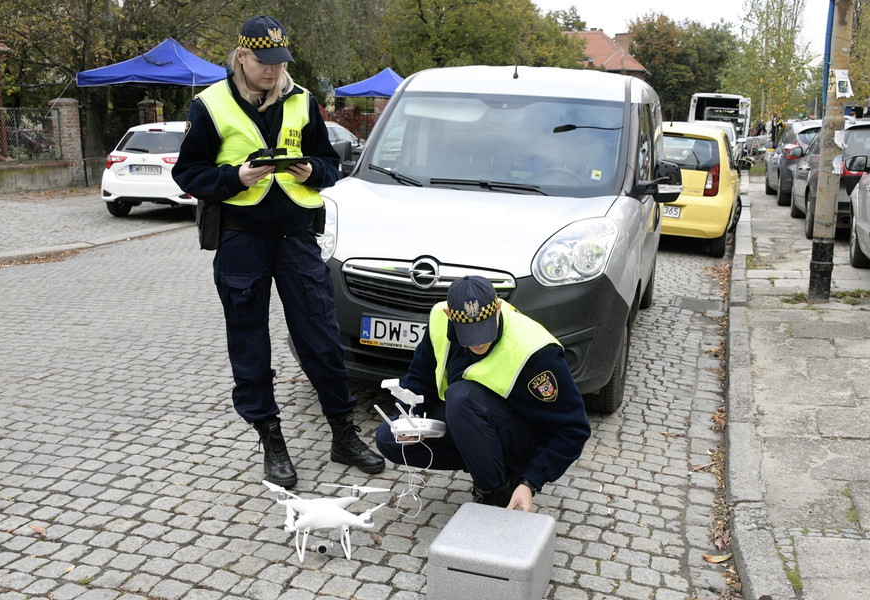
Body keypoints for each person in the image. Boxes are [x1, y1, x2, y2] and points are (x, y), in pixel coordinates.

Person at [172, 15, 384, 489]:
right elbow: (187, 173)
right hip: (240, 239)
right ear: (242, 57)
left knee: (322, 338)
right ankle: (271, 441)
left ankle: (343, 435)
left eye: (279, 62)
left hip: (295, 238)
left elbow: (333, 164)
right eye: (264, 62)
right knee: (249, 344)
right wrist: (233, 179)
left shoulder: (304, 101)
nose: (273, 71)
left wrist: (314, 172)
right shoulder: (209, 105)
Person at [374, 276, 591, 512]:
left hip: (520, 438)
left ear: (498, 309)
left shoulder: (534, 351)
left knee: (461, 397)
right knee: (389, 436)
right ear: (449, 316)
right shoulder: (438, 319)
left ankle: (496, 493)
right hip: (472, 423)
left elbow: (574, 428)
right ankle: (484, 462)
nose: (478, 343)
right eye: (469, 334)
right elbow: (419, 378)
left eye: (484, 330)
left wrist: (531, 481)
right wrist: (409, 416)